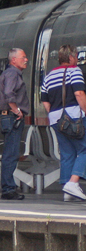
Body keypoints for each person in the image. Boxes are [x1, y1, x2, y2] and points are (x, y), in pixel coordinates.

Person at [40, 44, 86, 201]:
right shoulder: (74, 71)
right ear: (72, 57)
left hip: (55, 119)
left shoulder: (48, 76)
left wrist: (56, 115)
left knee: (67, 153)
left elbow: (45, 103)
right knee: (84, 149)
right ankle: (73, 183)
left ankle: (67, 192)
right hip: (73, 116)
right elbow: (79, 93)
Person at [0, 47, 30, 200]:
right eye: (23, 57)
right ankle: (9, 189)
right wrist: (17, 111)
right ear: (14, 60)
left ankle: (9, 187)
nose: (26, 59)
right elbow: (9, 93)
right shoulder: (12, 73)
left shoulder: (8, 73)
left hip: (8, 117)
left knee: (10, 153)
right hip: (12, 118)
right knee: (11, 153)